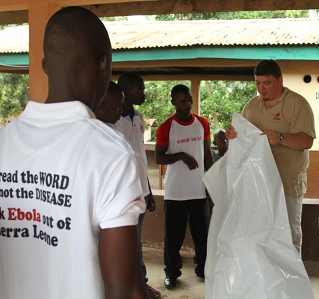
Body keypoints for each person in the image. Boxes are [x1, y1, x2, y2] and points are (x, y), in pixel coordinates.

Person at [0, 6, 149, 299]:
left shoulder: (4, 142)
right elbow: (125, 290)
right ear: (103, 64)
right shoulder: (110, 153)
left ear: (45, 65)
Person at [225, 59, 315, 257]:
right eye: (257, 83)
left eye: (267, 83)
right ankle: (268, 282)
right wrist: (232, 134)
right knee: (260, 234)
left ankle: (291, 281)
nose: (261, 89)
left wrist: (281, 137)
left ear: (280, 80)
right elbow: (244, 139)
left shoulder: (297, 103)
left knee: (288, 234)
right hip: (258, 184)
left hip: (287, 184)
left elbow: (307, 141)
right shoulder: (251, 106)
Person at [155, 84, 213, 290]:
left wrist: (210, 181)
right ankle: (171, 273)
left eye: (189, 100)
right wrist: (180, 155)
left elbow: (207, 154)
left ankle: (203, 268)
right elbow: (158, 157)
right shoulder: (166, 127)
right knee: (173, 236)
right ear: (173, 102)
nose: (187, 104)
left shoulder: (202, 123)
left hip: (198, 189)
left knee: (203, 234)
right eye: (182, 101)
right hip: (176, 192)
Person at [112, 72, 161, 299]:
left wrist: (149, 191)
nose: (143, 93)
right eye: (139, 90)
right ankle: (136, 286)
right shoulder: (113, 121)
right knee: (128, 243)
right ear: (125, 92)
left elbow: (141, 157)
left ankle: (141, 284)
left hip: (141, 190)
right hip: (123, 192)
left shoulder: (138, 117)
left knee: (137, 241)